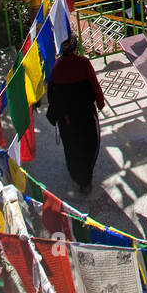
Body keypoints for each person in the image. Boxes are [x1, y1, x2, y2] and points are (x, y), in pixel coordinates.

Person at [46, 36, 105, 195]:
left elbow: (51, 94)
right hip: (85, 112)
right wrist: (100, 102)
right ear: (75, 49)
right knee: (88, 143)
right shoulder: (84, 64)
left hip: (67, 118)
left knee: (72, 146)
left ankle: (79, 177)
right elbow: (94, 84)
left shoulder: (56, 67)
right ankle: (86, 178)